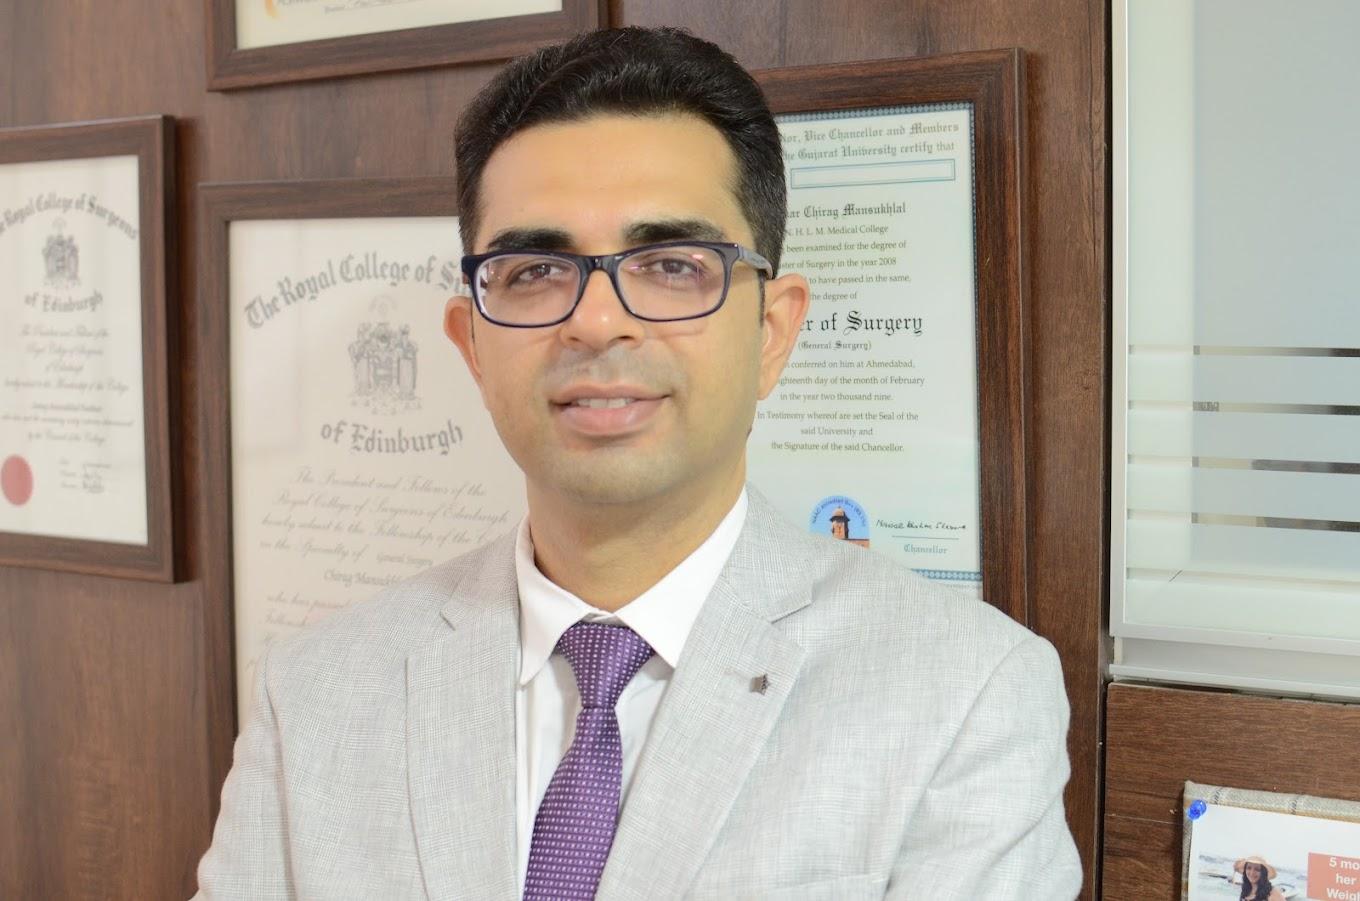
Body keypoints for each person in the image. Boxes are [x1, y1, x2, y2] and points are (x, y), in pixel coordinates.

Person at [194, 26, 1081, 900]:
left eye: (672, 264)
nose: (597, 322)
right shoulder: (314, 694)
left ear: (773, 333)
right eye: (535, 270)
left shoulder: (966, 694)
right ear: (472, 344)